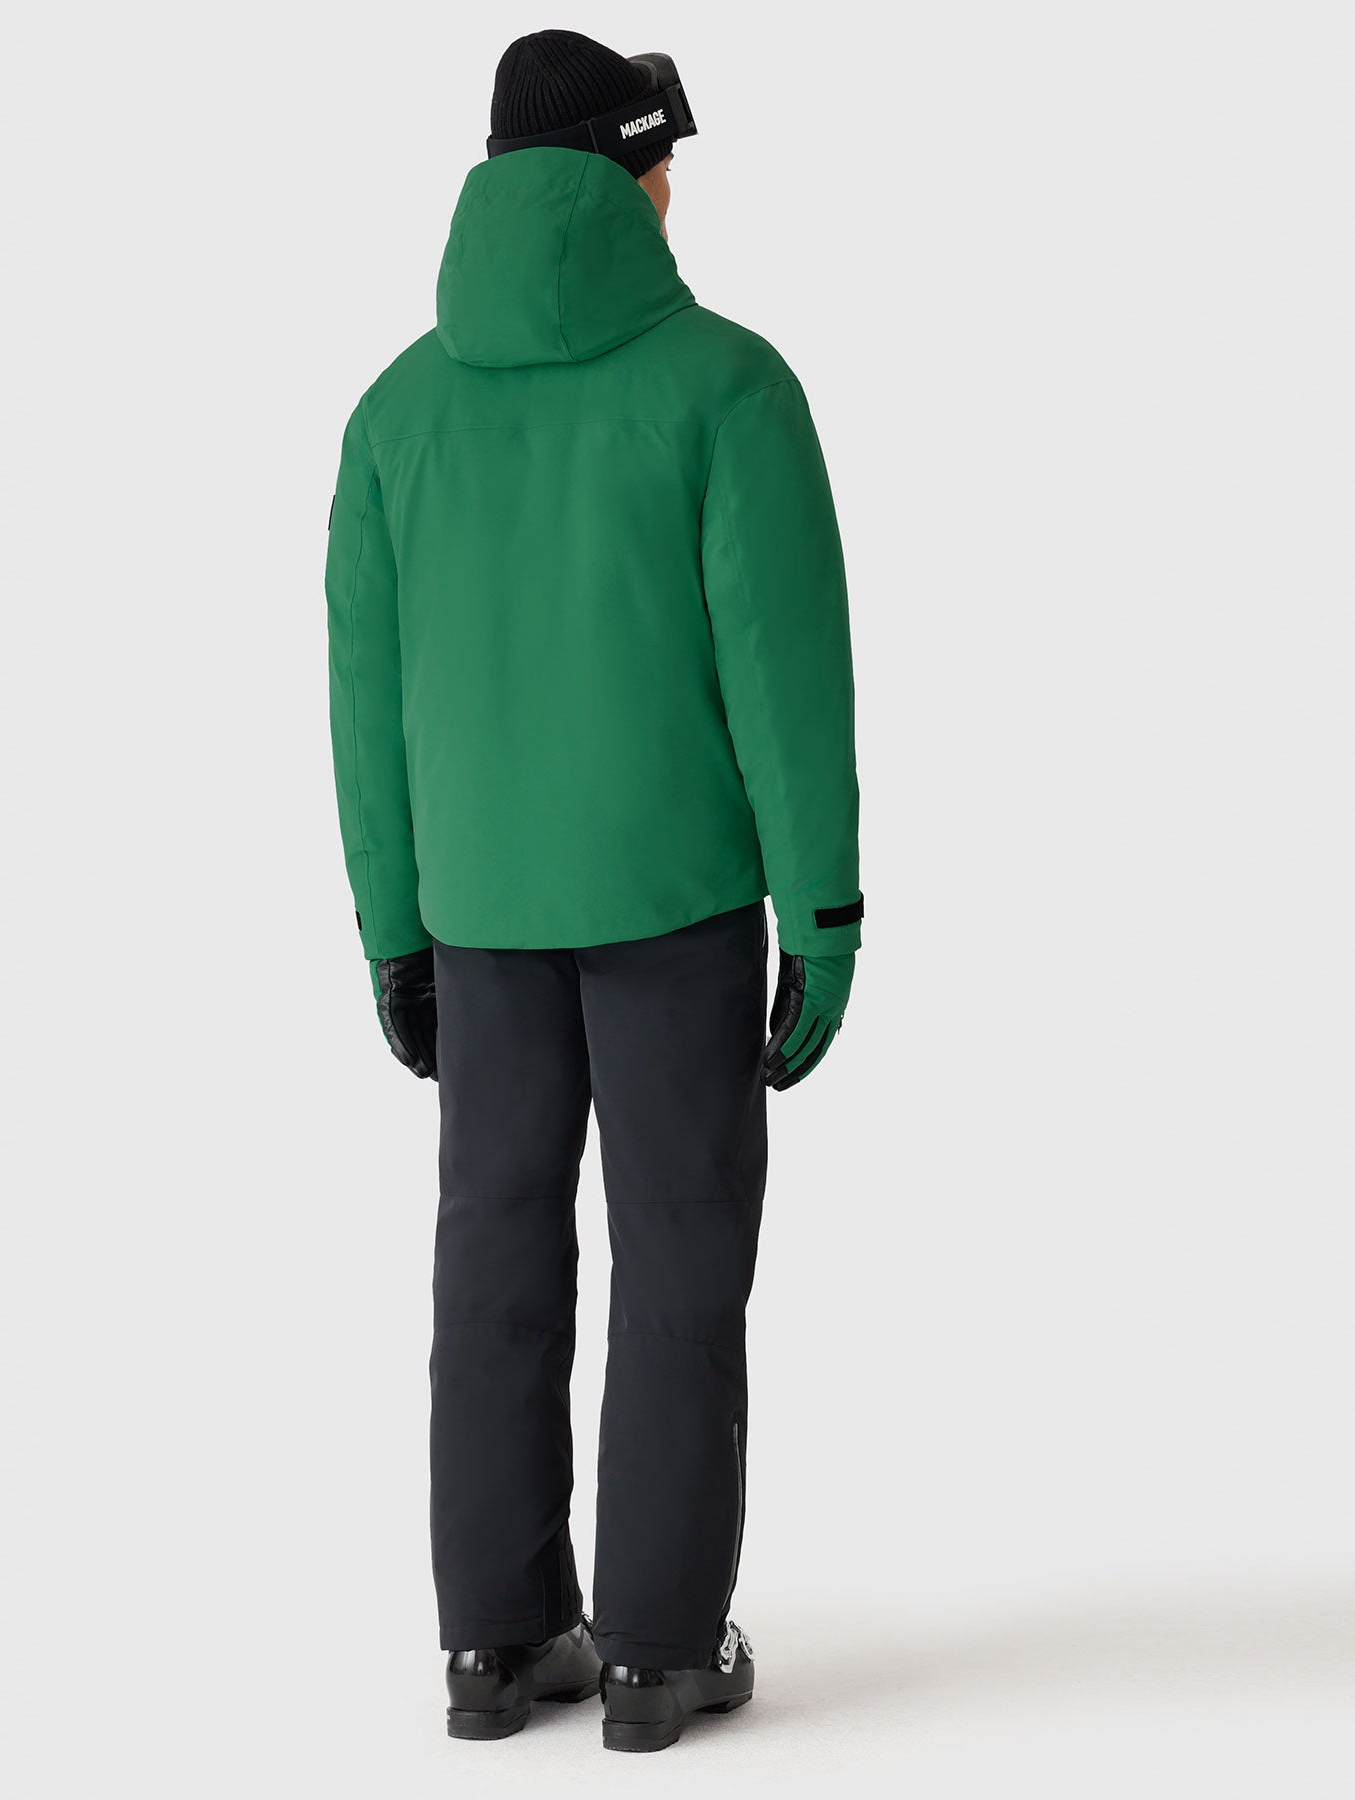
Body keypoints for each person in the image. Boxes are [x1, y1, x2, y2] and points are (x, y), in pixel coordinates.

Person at [325, 29, 861, 1753]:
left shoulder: (396, 413)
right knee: (680, 1262)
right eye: (664, 161)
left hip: (477, 918)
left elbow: (365, 706)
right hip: (674, 908)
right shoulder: (727, 387)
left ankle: (495, 1644)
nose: (676, 189)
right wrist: (826, 915)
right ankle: (654, 1652)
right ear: (632, 174)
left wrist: (393, 932)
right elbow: (786, 676)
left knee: (491, 1256)